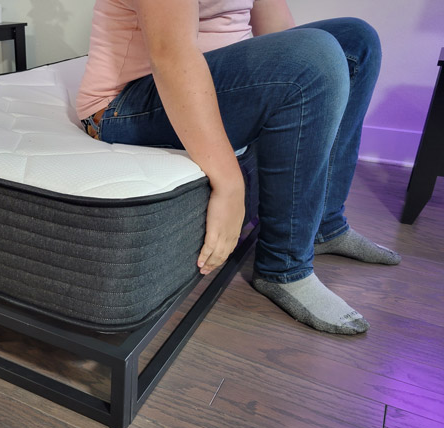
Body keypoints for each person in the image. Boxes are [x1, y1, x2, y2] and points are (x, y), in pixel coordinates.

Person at [76, 0, 401, 334]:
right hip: (126, 104)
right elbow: (170, 55)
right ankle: (284, 268)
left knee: (356, 40)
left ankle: (325, 224)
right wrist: (230, 185)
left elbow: (280, 37)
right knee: (313, 55)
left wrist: (295, 83)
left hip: (210, 79)